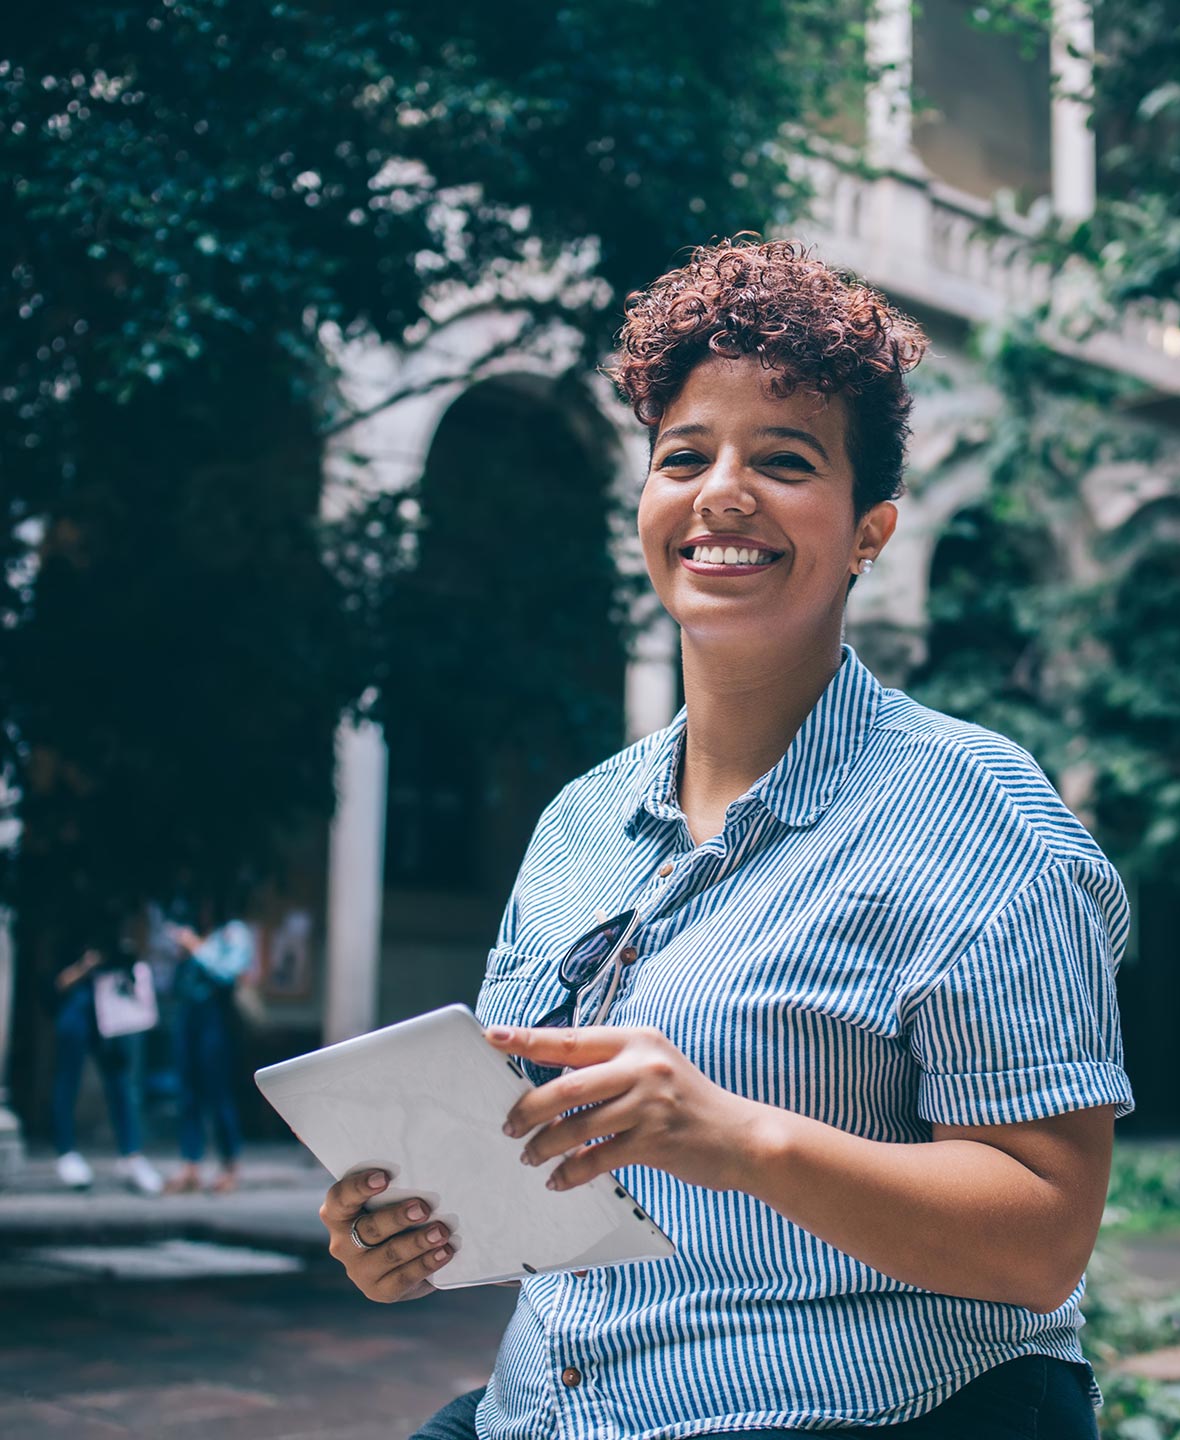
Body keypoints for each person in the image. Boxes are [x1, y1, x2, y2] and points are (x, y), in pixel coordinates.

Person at [319, 238, 1134, 1439]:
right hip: (546, 1403)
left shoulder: (978, 822)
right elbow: (534, 1168)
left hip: (848, 1409)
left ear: (870, 530)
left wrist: (739, 1135)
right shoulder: (581, 822)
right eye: (683, 457)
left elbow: (1044, 1240)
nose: (721, 493)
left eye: (786, 460)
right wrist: (416, 1232)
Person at [51, 937, 165, 1196]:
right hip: (80, 998)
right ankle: (65, 1152)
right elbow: (56, 981)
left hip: (114, 998)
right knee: (68, 1080)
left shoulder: (124, 911)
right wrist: (86, 966)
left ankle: (131, 1155)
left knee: (121, 1083)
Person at [164, 909, 254, 1194]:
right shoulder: (194, 930)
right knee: (187, 1094)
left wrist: (196, 948)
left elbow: (228, 974)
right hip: (187, 1016)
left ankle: (230, 1164)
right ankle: (191, 1164)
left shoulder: (233, 931)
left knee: (219, 1093)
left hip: (216, 1018)